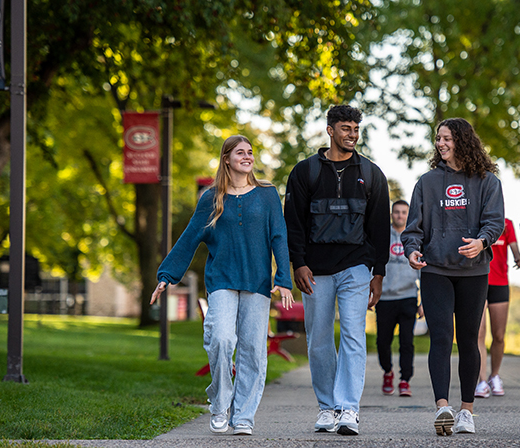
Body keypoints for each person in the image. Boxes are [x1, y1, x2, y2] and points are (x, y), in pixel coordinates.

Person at [151, 135, 294, 436]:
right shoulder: (211, 197)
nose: (247, 157)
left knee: (253, 350)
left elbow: (279, 236)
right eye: (240, 152)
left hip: (257, 283)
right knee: (221, 340)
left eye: (250, 152)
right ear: (226, 158)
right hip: (222, 281)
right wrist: (167, 275)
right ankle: (219, 403)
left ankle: (243, 415)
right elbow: (190, 238)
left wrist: (283, 278)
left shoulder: (267, 195)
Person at [284, 104, 390, 436]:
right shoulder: (305, 172)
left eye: (356, 129)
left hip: (356, 267)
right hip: (315, 270)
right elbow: (294, 223)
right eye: (346, 128)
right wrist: (298, 263)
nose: (352, 135)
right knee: (318, 339)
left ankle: (349, 408)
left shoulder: (372, 174)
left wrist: (379, 272)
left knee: (354, 336)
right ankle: (327, 407)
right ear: (330, 130)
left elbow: (380, 227)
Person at [401, 117, 504, 436]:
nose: (440, 143)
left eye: (447, 138)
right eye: (438, 138)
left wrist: (482, 241)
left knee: (470, 339)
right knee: (441, 338)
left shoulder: (488, 181)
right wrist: (412, 250)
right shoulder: (427, 182)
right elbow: (412, 228)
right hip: (435, 270)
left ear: (463, 140)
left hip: (474, 272)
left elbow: (495, 221)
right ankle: (443, 407)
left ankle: (467, 411)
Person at [377, 199, 423, 397]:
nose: (400, 216)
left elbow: (423, 268)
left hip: (408, 297)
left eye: (404, 212)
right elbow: (374, 265)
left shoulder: (415, 237)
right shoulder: (382, 236)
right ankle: (387, 371)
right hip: (385, 298)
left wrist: (424, 302)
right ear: (391, 214)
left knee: (407, 342)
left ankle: (405, 380)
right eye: (397, 212)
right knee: (382, 341)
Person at [475, 217, 520, 398]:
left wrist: (518, 256)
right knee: (478, 334)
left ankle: (494, 375)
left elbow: (514, 246)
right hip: (478, 282)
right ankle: (481, 381)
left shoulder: (507, 224)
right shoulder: (475, 221)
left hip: (499, 284)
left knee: (499, 335)